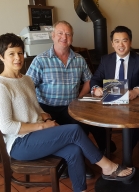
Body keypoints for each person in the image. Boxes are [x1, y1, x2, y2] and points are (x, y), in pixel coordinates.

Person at [0, 33, 135, 192]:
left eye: (19, 53)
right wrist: (43, 127)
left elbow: (35, 107)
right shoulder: (0, 86)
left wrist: (44, 115)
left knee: (74, 150)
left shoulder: (26, 80)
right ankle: (108, 167)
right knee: (74, 130)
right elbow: (6, 127)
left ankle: (80, 189)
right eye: (11, 54)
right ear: (1, 57)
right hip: (20, 144)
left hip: (36, 135)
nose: (17, 58)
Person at [26, 21, 111, 165]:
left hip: (72, 108)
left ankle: (92, 156)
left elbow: (89, 80)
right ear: (53, 36)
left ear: (72, 38)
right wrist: (40, 112)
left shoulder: (79, 59)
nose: (64, 37)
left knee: (90, 122)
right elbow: (28, 88)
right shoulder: (40, 60)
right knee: (66, 132)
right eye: (60, 33)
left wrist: (79, 98)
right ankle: (74, 162)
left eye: (68, 34)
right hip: (47, 109)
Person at [90, 26, 139, 149]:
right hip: (109, 102)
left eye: (124, 40)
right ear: (112, 44)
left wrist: (136, 91)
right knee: (93, 121)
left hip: (132, 102)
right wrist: (96, 88)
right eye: (117, 41)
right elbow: (95, 79)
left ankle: (127, 156)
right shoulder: (106, 60)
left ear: (130, 42)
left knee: (135, 121)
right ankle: (107, 148)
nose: (121, 45)